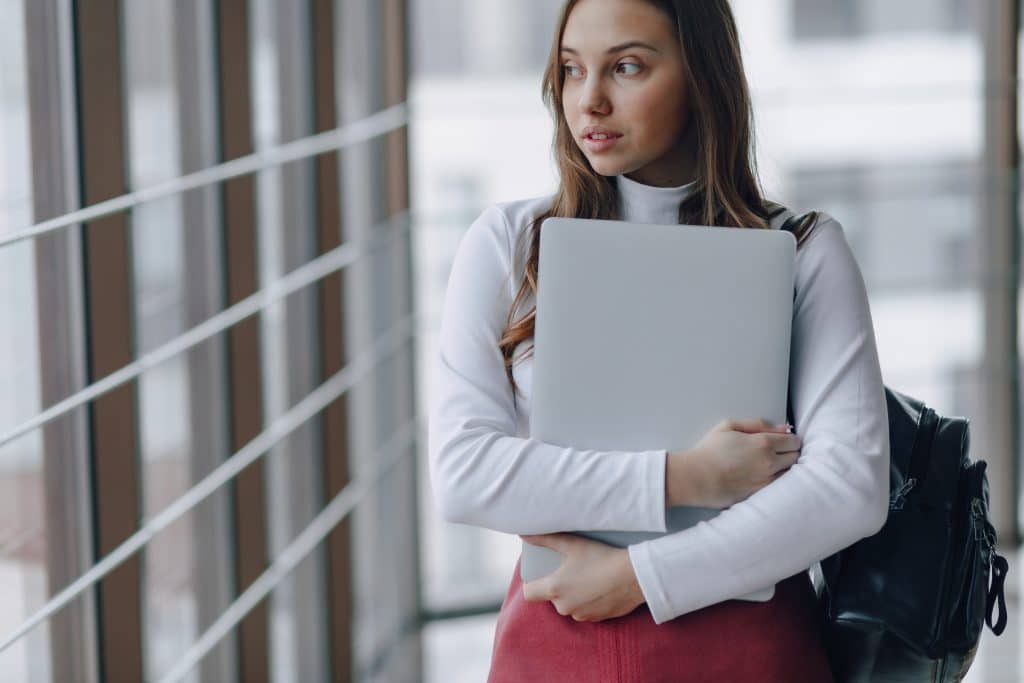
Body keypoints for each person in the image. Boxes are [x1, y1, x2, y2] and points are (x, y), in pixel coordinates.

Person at [427, 0, 890, 680]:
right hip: (557, 644)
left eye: (627, 67)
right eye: (570, 69)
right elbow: (464, 473)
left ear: (702, 75)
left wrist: (643, 574)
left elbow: (850, 484)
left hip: (749, 651)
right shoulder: (508, 243)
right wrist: (687, 475)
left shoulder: (802, 249)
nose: (589, 101)